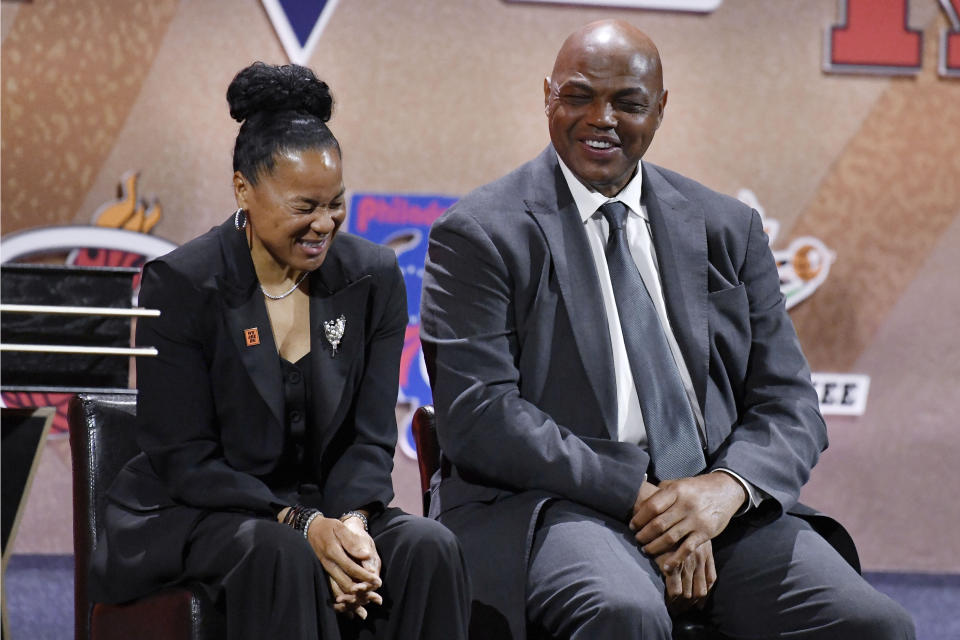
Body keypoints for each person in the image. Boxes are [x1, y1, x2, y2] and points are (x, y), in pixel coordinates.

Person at [420, 20, 914, 640]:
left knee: (874, 624)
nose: (601, 118)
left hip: (717, 509)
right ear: (547, 95)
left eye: (627, 102)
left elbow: (789, 404)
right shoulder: (481, 233)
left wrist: (722, 491)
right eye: (578, 96)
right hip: (554, 505)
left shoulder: (726, 227)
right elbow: (481, 417)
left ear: (660, 109)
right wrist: (644, 497)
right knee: (622, 615)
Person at [91, 61, 470, 640]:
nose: (324, 224)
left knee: (427, 546)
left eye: (335, 203)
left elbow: (369, 436)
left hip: (326, 503)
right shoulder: (185, 282)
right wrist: (302, 522)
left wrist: (350, 524)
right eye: (303, 207)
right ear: (243, 187)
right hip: (202, 512)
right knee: (283, 554)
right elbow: (184, 457)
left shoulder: (372, 277)